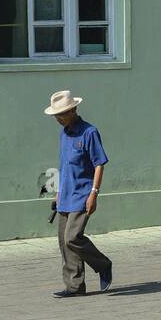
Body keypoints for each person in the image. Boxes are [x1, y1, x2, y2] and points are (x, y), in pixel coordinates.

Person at [45, 90, 113, 298]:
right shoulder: (64, 133)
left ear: (74, 110)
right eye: (56, 115)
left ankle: (103, 265)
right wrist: (58, 192)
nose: (58, 119)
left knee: (73, 237)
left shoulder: (89, 132)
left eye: (62, 114)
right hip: (66, 193)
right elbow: (64, 165)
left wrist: (94, 193)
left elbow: (99, 163)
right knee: (63, 242)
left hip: (83, 194)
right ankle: (74, 286)